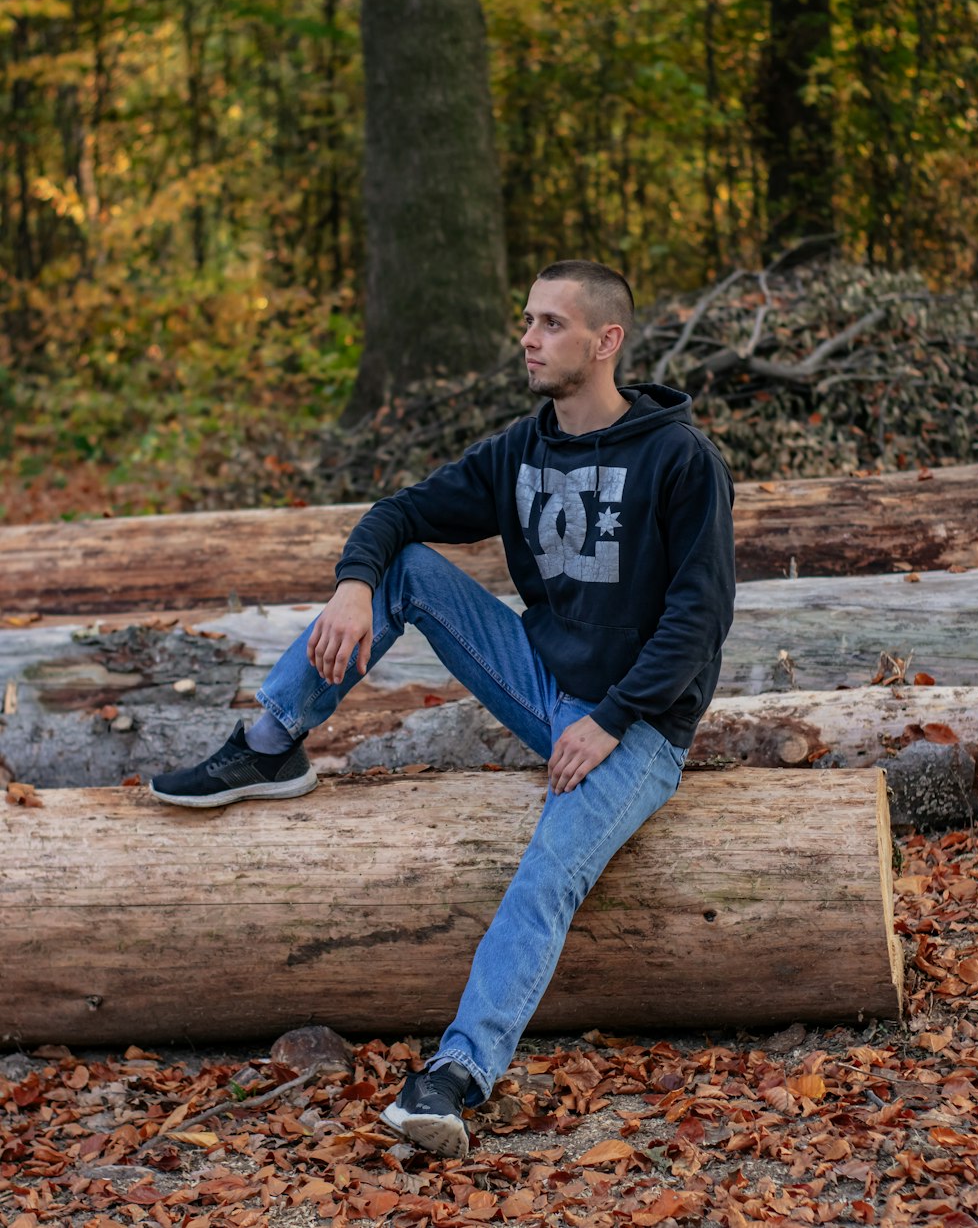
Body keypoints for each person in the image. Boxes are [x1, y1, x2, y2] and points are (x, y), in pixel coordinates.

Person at [150, 259, 736, 1159]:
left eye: (550, 324)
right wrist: (354, 586)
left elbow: (699, 619)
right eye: (527, 321)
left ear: (605, 341)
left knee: (550, 870)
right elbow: (398, 513)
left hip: (641, 728)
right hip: (544, 683)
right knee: (409, 567)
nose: (528, 340)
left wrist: (612, 720)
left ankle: (458, 1077)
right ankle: (271, 741)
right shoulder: (521, 448)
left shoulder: (679, 459)